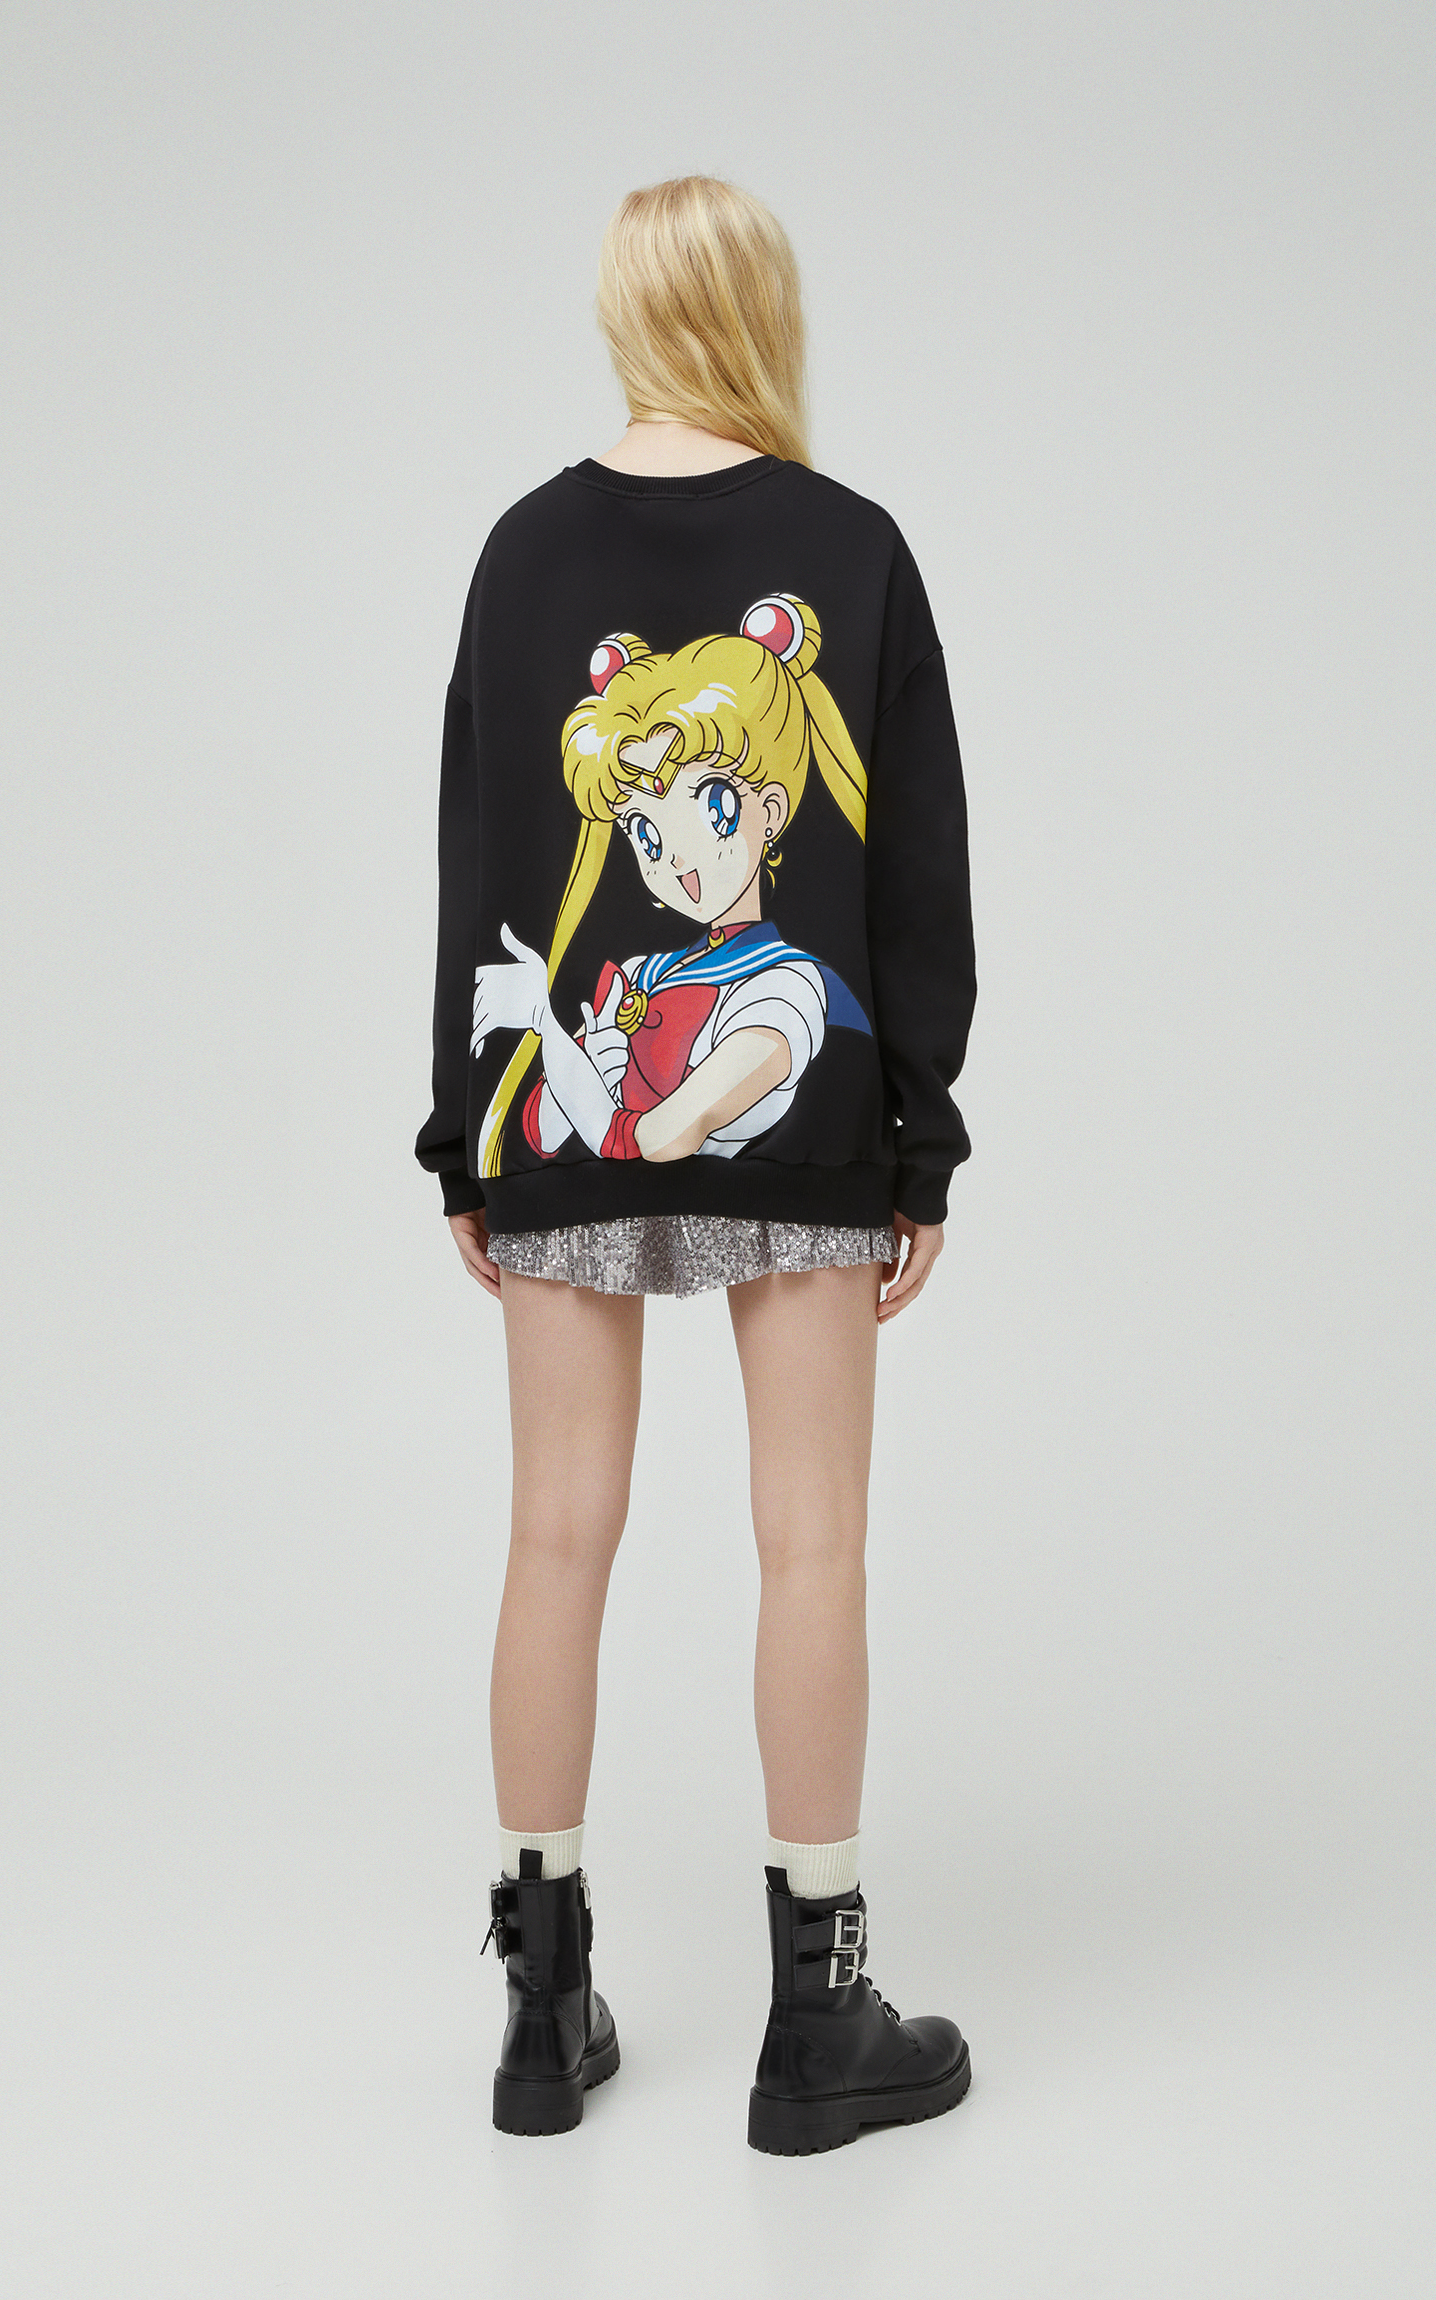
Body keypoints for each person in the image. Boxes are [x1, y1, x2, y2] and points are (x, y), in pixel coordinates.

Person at [415, 175, 977, 2155]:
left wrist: (465, 1129)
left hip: (562, 1123)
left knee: (552, 1531)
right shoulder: (854, 541)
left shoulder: (519, 550)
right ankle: (817, 2021)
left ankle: (535, 2009)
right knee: (808, 1539)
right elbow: (916, 872)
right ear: (758, 309)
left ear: (620, 314)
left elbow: (476, 857)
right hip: (810, 1137)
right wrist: (922, 1132)